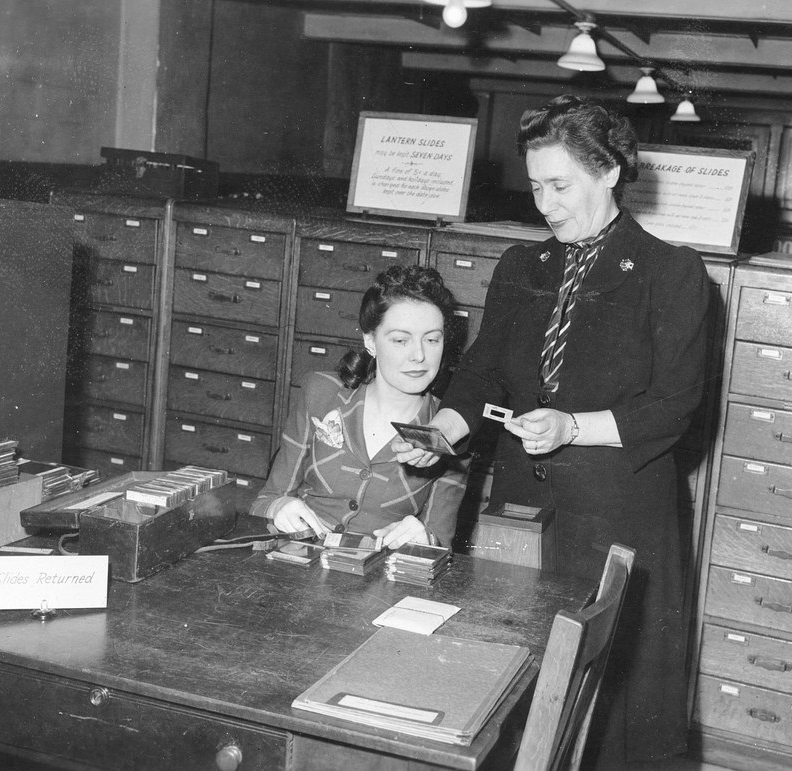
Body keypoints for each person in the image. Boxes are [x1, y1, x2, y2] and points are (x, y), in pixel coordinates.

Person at [397, 95, 711, 765]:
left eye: (560, 185)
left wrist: (573, 425)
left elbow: (674, 405)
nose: (544, 201)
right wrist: (444, 433)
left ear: (610, 173)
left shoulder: (670, 273)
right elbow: (481, 372)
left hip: (618, 518)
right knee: (517, 688)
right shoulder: (522, 268)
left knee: (609, 712)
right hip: (523, 513)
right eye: (536, 185)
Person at [249, 265, 466, 550]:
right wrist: (280, 507)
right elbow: (264, 501)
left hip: (377, 579)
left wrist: (425, 538)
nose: (419, 356)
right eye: (401, 340)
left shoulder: (453, 428)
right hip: (298, 560)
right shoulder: (321, 393)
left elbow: (441, 544)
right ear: (370, 341)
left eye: (432, 339)